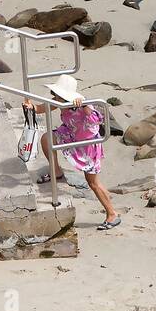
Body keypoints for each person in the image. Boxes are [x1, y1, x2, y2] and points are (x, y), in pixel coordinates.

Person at [32, 75, 120, 231]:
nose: (54, 96)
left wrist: (84, 106)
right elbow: (43, 109)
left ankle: (112, 213)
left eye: (56, 93)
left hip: (87, 145)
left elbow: (95, 120)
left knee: (93, 183)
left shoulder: (82, 104)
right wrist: (31, 107)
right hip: (69, 134)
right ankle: (56, 171)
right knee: (47, 138)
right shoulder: (59, 101)